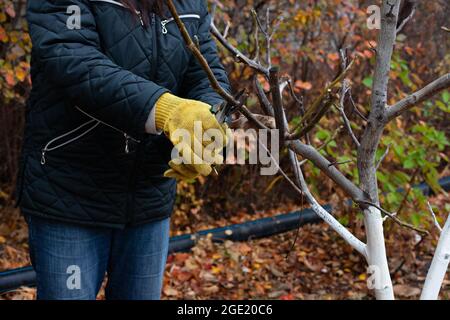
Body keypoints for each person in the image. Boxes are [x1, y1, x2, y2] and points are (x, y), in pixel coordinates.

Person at [17, 0, 230, 300]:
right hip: (70, 194)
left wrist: (206, 127)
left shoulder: (190, 2)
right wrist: (166, 110)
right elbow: (76, 64)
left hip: (148, 195)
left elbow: (206, 75)